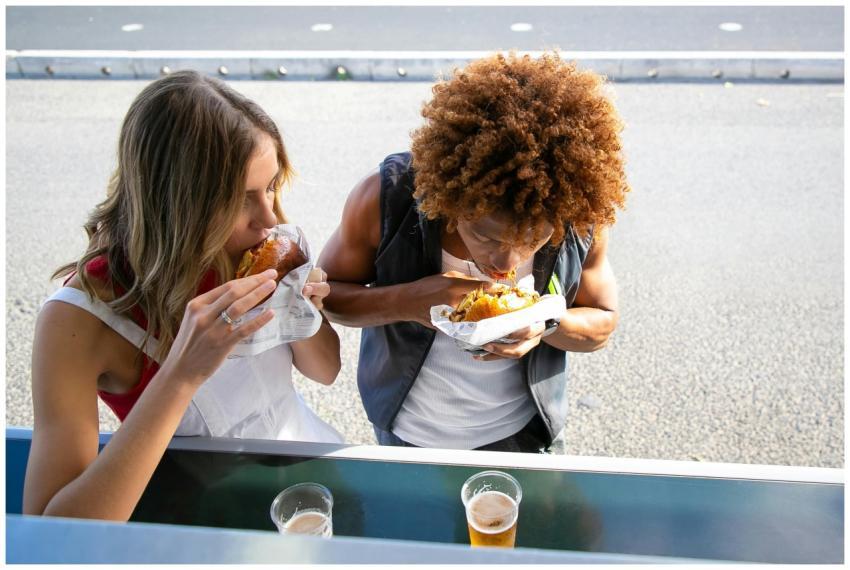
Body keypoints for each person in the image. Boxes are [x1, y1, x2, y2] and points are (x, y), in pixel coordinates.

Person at [23, 70, 343, 521]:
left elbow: (325, 370)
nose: (269, 217)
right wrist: (180, 374)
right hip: (200, 518)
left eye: (270, 186)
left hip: (307, 484)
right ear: (177, 205)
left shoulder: (250, 249)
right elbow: (50, 528)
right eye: (241, 198)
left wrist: (304, 310)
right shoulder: (77, 318)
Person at [318, 52, 629, 453]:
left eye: (532, 240)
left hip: (525, 436)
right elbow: (327, 298)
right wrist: (410, 300)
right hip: (406, 432)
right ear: (448, 201)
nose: (507, 264)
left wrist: (545, 323)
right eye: (486, 236)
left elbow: (602, 323)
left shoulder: (576, 214)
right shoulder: (386, 197)